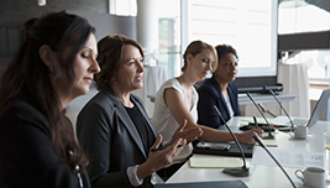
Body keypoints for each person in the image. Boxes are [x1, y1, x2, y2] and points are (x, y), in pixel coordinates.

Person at [76, 34, 201, 188]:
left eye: (141, 61)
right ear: (111, 70)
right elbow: (95, 183)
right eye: (131, 63)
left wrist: (172, 144)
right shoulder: (97, 111)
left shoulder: (135, 102)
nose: (142, 69)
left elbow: (146, 154)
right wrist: (145, 170)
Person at [0, 12, 100, 188]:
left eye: (96, 58)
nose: (96, 68)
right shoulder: (20, 120)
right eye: (85, 55)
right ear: (48, 56)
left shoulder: (62, 122)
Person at [152, 41, 263, 178]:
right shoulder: (173, 89)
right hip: (169, 164)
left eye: (212, 64)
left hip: (188, 159)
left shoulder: (194, 92)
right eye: (204, 61)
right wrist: (239, 138)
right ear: (189, 58)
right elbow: (194, 129)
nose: (209, 68)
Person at [197, 44, 241, 129]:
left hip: (232, 138)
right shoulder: (206, 92)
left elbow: (238, 119)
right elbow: (213, 127)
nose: (233, 69)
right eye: (227, 64)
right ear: (214, 66)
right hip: (214, 140)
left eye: (235, 64)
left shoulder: (232, 88)